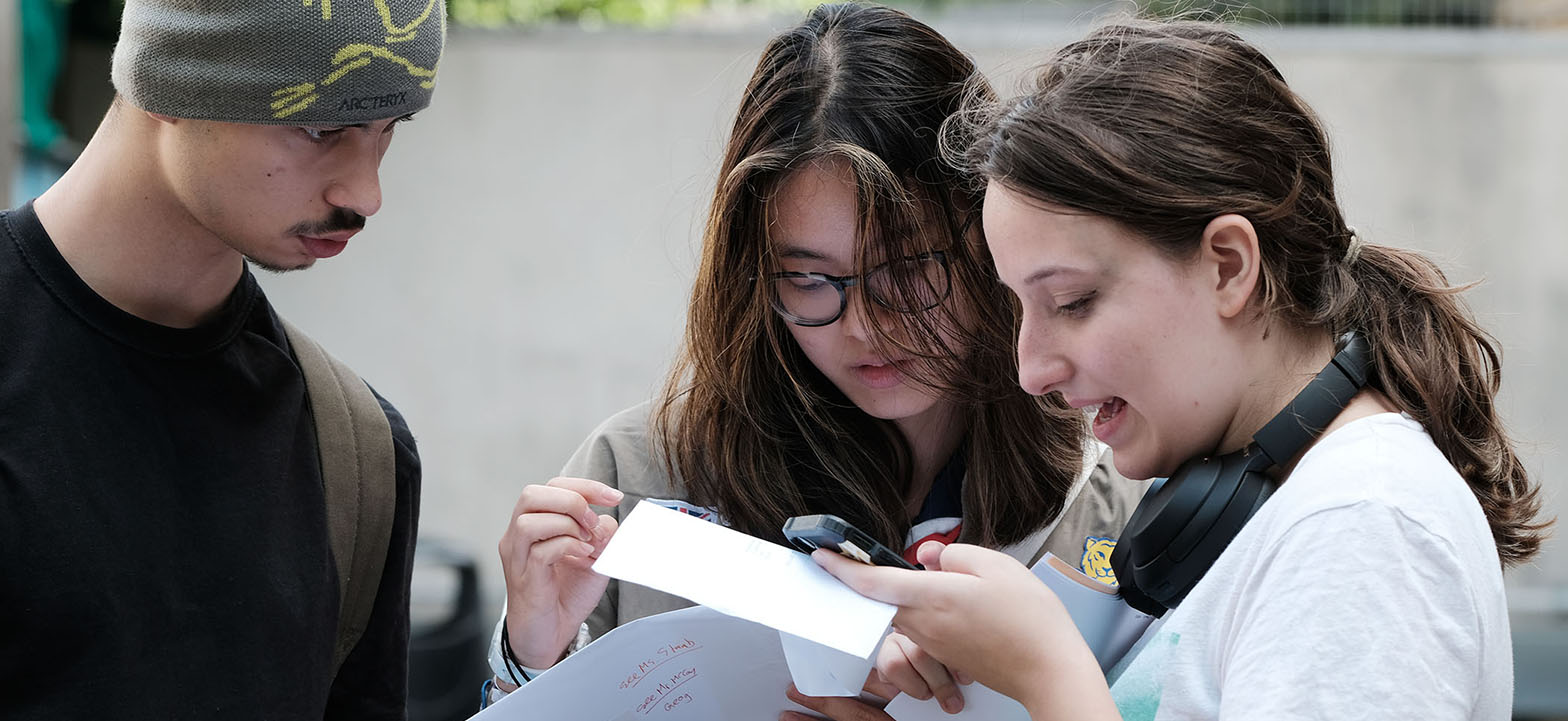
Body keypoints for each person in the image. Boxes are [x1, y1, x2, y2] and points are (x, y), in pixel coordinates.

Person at [817, 18, 1550, 720]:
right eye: (1019, 308)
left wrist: (1046, 672)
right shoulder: (1279, 503)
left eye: (1072, 301)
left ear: (1228, 266)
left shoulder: (1360, 529)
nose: (1030, 369)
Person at [487, 3, 1148, 715]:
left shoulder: (1116, 485)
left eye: (908, 269)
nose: (866, 325)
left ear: (989, 232)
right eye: (809, 278)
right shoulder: (636, 482)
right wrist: (530, 660)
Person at [0, 0, 444, 716]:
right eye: (322, 127)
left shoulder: (358, 453)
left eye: (388, 129)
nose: (366, 193)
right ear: (177, 80)